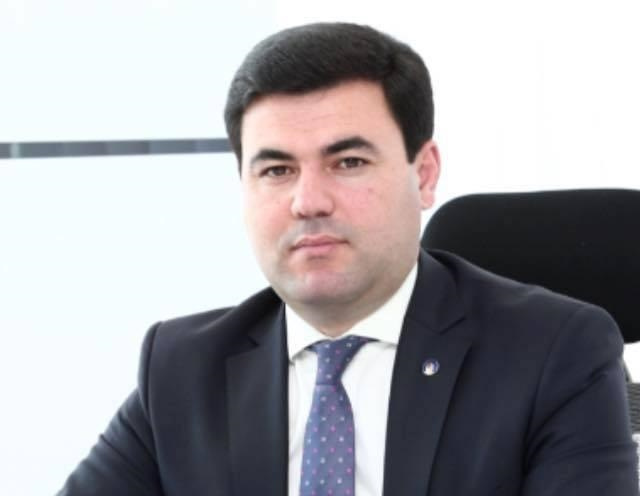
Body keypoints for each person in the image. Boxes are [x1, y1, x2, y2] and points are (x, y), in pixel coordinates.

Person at [58, 22, 638, 495]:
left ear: (424, 174)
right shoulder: (182, 368)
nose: (308, 201)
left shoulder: (556, 354)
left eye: (348, 163)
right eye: (276, 170)